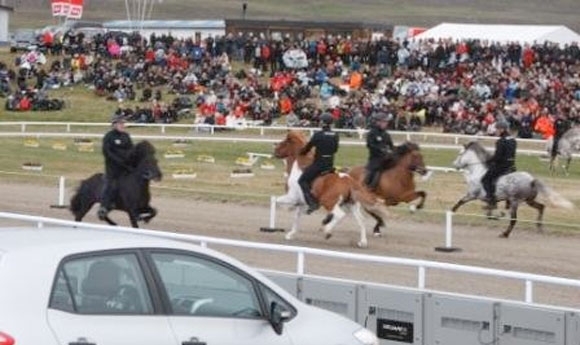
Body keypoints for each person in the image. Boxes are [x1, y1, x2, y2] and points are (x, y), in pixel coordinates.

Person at [298, 113, 339, 214]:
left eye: (320, 121)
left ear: (323, 123)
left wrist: (302, 152)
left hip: (319, 164)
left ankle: (312, 203)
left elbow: (308, 147)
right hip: (330, 163)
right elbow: (335, 150)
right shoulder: (335, 135)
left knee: (302, 180)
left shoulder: (318, 135)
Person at [98, 114, 135, 220]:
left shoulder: (126, 136)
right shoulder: (109, 137)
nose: (123, 125)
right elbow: (107, 152)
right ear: (114, 124)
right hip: (112, 168)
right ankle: (104, 207)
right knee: (110, 185)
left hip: (126, 167)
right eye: (120, 123)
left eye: (123, 123)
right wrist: (119, 161)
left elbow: (131, 150)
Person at [482, 120, 517, 210]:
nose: (496, 131)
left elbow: (498, 157)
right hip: (512, 166)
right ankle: (508, 200)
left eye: (497, 129)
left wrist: (488, 161)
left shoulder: (500, 141)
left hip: (502, 166)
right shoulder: (513, 140)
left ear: (502, 129)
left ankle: (491, 201)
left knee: (485, 179)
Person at [364, 112, 394, 191]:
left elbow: (391, 145)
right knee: (374, 170)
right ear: (377, 122)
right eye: (384, 122)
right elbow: (370, 145)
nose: (386, 124)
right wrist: (381, 150)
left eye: (386, 122)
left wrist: (391, 151)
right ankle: (369, 187)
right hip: (375, 158)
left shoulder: (386, 134)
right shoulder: (372, 133)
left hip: (387, 157)